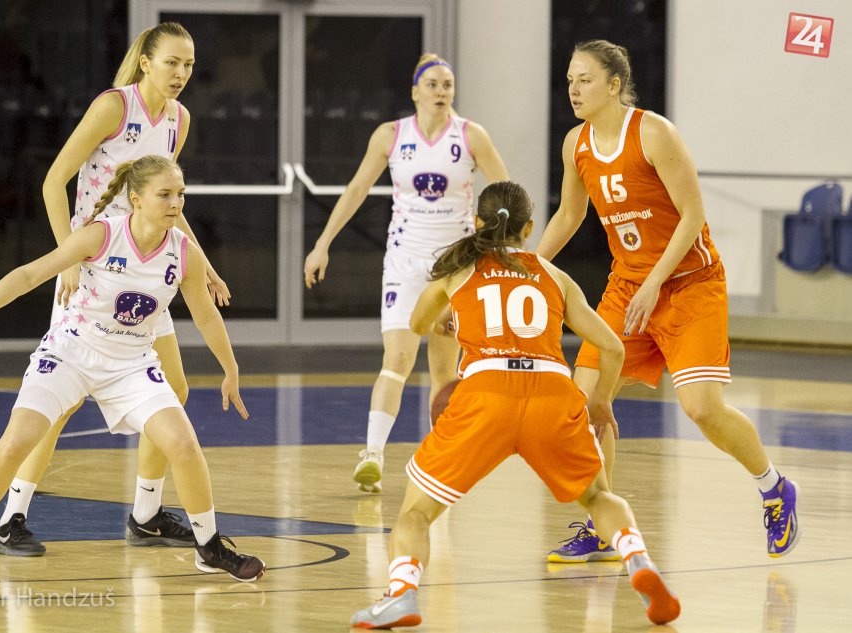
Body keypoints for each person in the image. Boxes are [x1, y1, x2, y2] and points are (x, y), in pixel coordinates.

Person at [350, 181, 680, 628]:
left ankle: (402, 595)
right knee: (599, 496)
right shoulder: (555, 276)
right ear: (528, 228)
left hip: (486, 394)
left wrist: (448, 315)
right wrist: (600, 401)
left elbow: (418, 322)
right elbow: (612, 348)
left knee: (416, 513)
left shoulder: (458, 271)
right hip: (551, 392)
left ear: (477, 223)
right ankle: (638, 560)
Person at [0, 155, 265, 585]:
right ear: (136, 198)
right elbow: (29, 275)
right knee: (17, 441)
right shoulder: (103, 234)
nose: (175, 203)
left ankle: (210, 548)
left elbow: (206, 316)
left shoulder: (184, 253)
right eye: (164, 194)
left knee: (183, 443)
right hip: (71, 352)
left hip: (131, 363)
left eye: (180, 194)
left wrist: (230, 368)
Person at [539, 39, 799, 563]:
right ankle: (603, 524)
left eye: (585, 79)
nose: (573, 89)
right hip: (627, 287)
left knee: (702, 408)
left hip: (689, 284)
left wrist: (656, 281)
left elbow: (692, 214)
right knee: (584, 404)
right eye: (569, 80)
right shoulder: (576, 144)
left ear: (614, 85)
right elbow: (570, 215)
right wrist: (527, 268)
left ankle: (774, 488)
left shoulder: (653, 133)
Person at [0, 22, 231, 556]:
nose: (181, 73)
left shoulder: (179, 119)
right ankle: (11, 517)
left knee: (175, 389)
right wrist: (68, 258)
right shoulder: (113, 107)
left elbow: (167, 201)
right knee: (57, 405)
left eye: (189, 65)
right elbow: (53, 181)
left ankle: (145, 514)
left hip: (146, 268)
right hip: (95, 265)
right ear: (145, 61)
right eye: (172, 62)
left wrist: (204, 265)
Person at [303, 53, 509, 493]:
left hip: (455, 268)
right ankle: (372, 455)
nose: (441, 92)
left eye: (447, 85)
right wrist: (322, 244)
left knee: (445, 372)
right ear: (415, 91)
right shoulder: (391, 135)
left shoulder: (471, 135)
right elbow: (357, 189)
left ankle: (442, 461)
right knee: (397, 358)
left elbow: (505, 195)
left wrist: (494, 246)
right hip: (404, 262)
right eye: (432, 84)